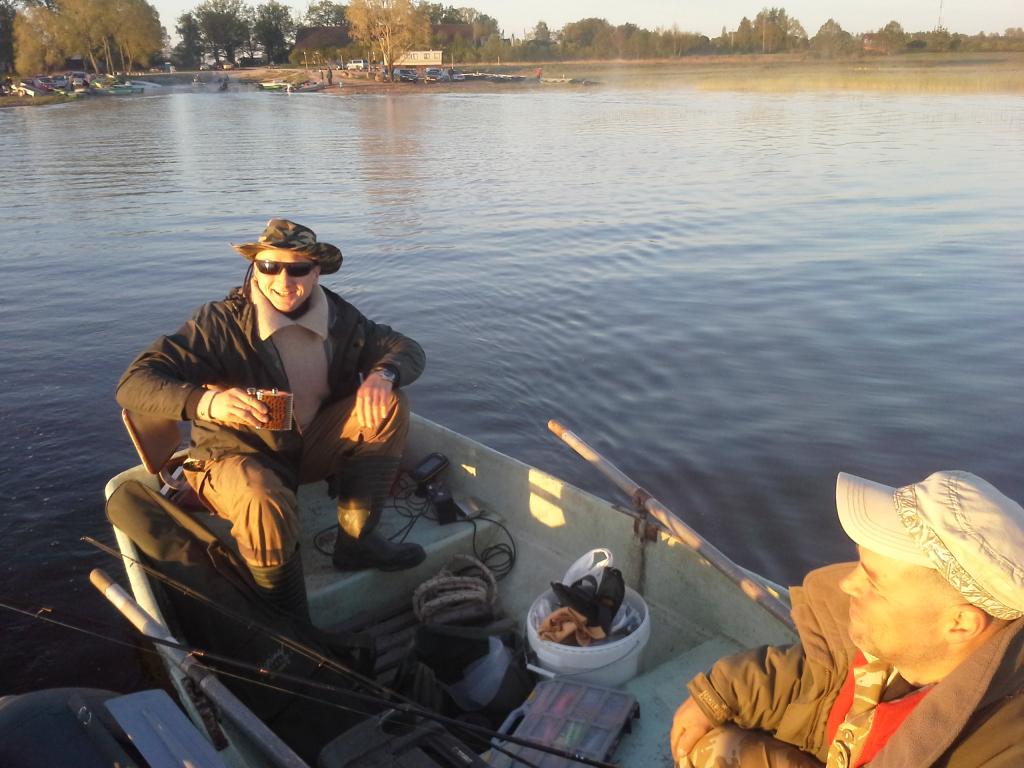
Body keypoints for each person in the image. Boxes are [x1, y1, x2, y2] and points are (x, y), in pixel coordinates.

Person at [116, 219, 426, 619]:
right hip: (231, 458)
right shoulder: (219, 323)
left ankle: (357, 544)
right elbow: (134, 382)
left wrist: (384, 374)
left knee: (390, 404)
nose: (283, 280)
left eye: (298, 268)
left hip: (302, 449)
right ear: (255, 268)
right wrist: (207, 402)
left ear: (316, 272)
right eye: (269, 266)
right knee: (263, 496)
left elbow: (406, 347)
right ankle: (288, 620)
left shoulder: (341, 318)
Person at [670, 470, 1023, 768]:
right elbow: (814, 677)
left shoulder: (1002, 748)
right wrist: (720, 692)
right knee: (711, 748)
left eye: (874, 581)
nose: (846, 583)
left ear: (960, 624)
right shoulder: (895, 648)